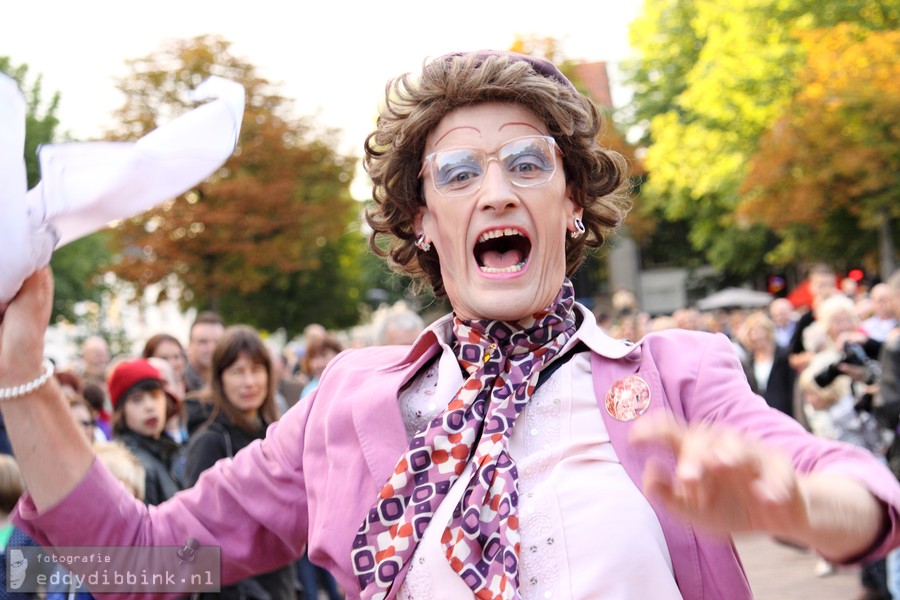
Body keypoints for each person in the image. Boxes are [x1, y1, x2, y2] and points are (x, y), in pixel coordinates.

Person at [2, 51, 900, 600]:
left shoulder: (672, 373)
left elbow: (858, 493)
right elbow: (144, 565)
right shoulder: (346, 405)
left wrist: (796, 503)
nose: (496, 189)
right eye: (458, 173)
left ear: (573, 204)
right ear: (423, 221)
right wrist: (22, 376)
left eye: (526, 163)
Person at [183, 325, 297, 599]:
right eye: (237, 371)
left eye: (257, 370)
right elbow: (199, 534)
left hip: (279, 583)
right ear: (220, 379)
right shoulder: (210, 441)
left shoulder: (275, 433)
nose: (249, 382)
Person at [107, 358, 183, 505]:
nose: (150, 406)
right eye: (137, 399)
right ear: (121, 411)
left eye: (155, 396)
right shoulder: (127, 464)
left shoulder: (168, 449)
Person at [737, 312, 796, 418]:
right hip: (760, 414)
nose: (757, 335)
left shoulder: (784, 355)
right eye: (753, 332)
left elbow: (793, 387)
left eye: (760, 330)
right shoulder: (748, 361)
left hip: (785, 412)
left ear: (768, 332)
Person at [184, 311, 225, 393]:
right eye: (203, 341)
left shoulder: (229, 382)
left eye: (217, 342)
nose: (211, 348)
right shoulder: (181, 384)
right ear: (190, 345)